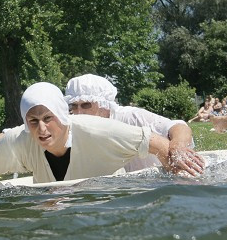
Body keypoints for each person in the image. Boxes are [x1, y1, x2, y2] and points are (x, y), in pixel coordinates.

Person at [0, 82, 187, 189]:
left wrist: (181, 181)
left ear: (62, 115)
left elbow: (156, 143)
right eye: (33, 121)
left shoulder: (98, 130)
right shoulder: (19, 141)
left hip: (111, 205)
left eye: (48, 118)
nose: (42, 129)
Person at [64, 74, 204, 175]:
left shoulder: (131, 117)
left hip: (160, 181)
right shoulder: (74, 128)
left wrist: (178, 146)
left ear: (104, 104)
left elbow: (178, 127)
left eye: (86, 104)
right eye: (74, 106)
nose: (79, 112)